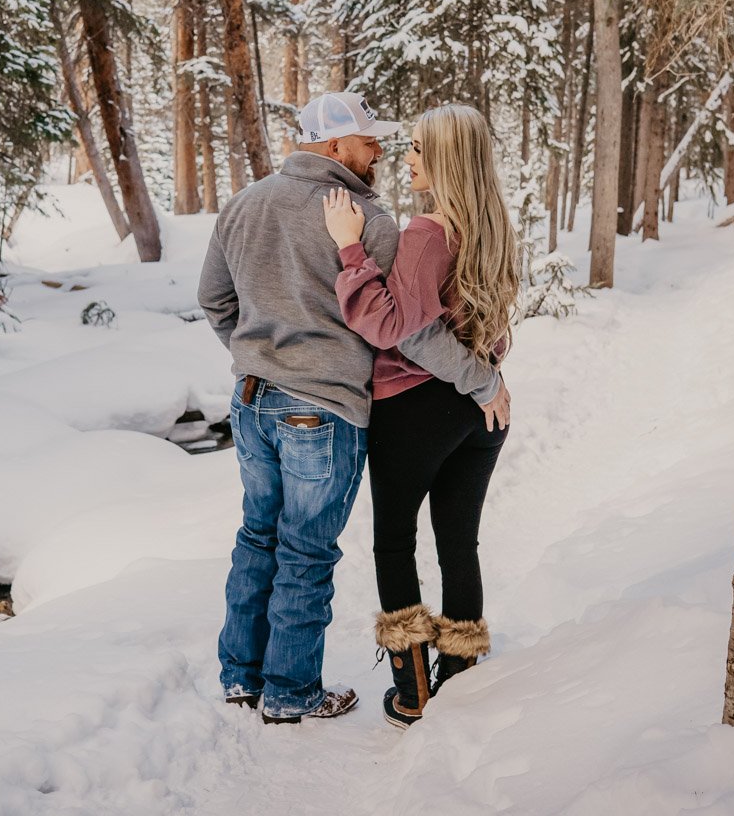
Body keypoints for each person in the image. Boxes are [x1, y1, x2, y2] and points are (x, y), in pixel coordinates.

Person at [198, 91, 503, 725]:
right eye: (369, 141)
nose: (380, 152)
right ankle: (291, 690)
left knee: (258, 536)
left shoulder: (244, 203)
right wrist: (482, 379)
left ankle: (241, 678)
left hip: (252, 400)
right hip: (324, 407)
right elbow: (409, 329)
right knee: (306, 550)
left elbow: (214, 300)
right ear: (336, 146)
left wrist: (260, 357)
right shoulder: (369, 221)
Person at [321, 103, 517, 729]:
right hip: (481, 409)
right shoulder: (491, 226)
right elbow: (495, 329)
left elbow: (393, 327)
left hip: (415, 406)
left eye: (416, 149)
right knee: (458, 541)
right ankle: (460, 673)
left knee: (394, 541)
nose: (404, 159)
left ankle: (413, 693)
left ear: (445, 159)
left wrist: (350, 249)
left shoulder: (427, 232)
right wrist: (485, 379)